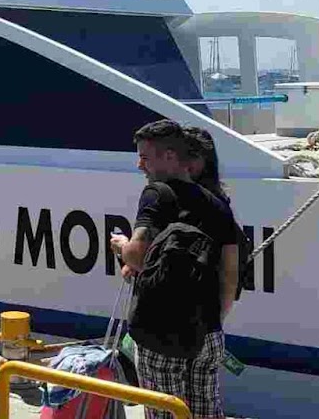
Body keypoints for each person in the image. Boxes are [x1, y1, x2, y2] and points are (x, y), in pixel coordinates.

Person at [109, 120, 241, 419]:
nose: (138, 164)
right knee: (207, 413)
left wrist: (121, 246)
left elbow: (138, 255)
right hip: (207, 333)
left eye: (145, 156)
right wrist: (215, 321)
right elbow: (230, 272)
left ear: (169, 157)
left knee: (166, 413)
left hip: (161, 332)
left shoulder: (157, 194)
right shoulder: (217, 204)